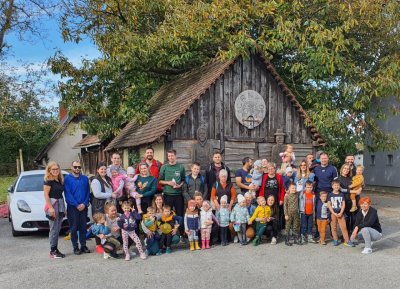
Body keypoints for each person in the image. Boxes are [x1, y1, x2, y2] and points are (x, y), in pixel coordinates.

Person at [64, 161, 91, 255]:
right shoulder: (67, 179)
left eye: (79, 167)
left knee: (83, 227)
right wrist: (76, 205)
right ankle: (75, 247)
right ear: (71, 167)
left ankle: (83, 245)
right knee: (74, 228)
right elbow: (67, 194)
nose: (77, 169)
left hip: (83, 207)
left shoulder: (84, 178)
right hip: (72, 207)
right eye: (75, 167)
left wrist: (84, 203)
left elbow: (88, 192)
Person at [159, 149, 186, 235]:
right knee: (167, 215)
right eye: (169, 156)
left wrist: (180, 185)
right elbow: (160, 181)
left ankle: (181, 234)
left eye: (172, 155)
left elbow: (183, 180)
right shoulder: (164, 167)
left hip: (178, 195)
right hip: (168, 195)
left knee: (179, 215)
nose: (170, 157)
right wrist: (168, 182)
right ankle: (167, 234)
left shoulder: (181, 167)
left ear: (175, 156)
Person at [44, 161, 66, 259]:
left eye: (57, 169)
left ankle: (55, 249)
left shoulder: (59, 179)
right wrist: (51, 208)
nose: (55, 170)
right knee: (53, 229)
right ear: (49, 170)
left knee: (57, 229)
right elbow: (46, 195)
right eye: (53, 169)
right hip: (53, 206)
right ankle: (52, 251)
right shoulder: (48, 180)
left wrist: (63, 207)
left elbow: (61, 194)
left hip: (60, 205)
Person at [313, 153, 338, 238]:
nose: (324, 160)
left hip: (330, 192)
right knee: (318, 211)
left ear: (328, 159)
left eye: (325, 158)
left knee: (331, 211)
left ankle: (332, 231)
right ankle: (318, 231)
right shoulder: (316, 169)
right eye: (322, 158)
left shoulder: (333, 168)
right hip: (319, 192)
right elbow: (314, 181)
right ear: (320, 159)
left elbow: (336, 181)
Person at [259, 163, 285, 232]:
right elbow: (261, 188)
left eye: (272, 168)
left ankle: (277, 231)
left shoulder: (278, 176)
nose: (270, 170)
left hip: (276, 200)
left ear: (274, 169)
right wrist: (261, 198)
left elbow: (282, 188)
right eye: (269, 169)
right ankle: (266, 230)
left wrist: (281, 199)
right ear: (267, 170)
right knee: (266, 214)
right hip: (266, 200)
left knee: (276, 215)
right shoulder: (264, 177)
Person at [327, 180, 354, 247]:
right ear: (332, 186)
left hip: (341, 213)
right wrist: (333, 213)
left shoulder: (341, 194)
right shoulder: (330, 195)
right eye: (335, 185)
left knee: (343, 227)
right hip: (333, 213)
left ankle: (347, 240)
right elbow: (329, 205)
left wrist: (341, 212)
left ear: (339, 186)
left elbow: (343, 204)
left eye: (337, 185)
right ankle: (335, 239)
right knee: (333, 227)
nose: (336, 186)